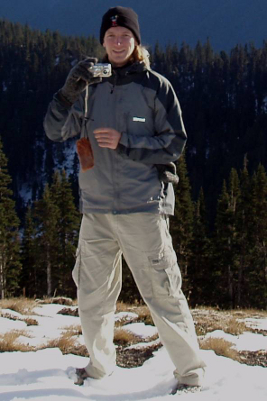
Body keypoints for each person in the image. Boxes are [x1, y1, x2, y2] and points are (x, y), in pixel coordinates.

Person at [44, 6, 206, 391]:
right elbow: (53, 132)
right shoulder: (89, 88)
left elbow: (174, 145)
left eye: (125, 37)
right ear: (103, 41)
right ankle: (99, 368)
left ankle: (191, 374)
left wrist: (126, 143)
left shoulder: (156, 87)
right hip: (96, 211)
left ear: (136, 42)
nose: (118, 43)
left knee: (163, 293)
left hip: (143, 209)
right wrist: (68, 92)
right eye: (111, 37)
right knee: (92, 297)